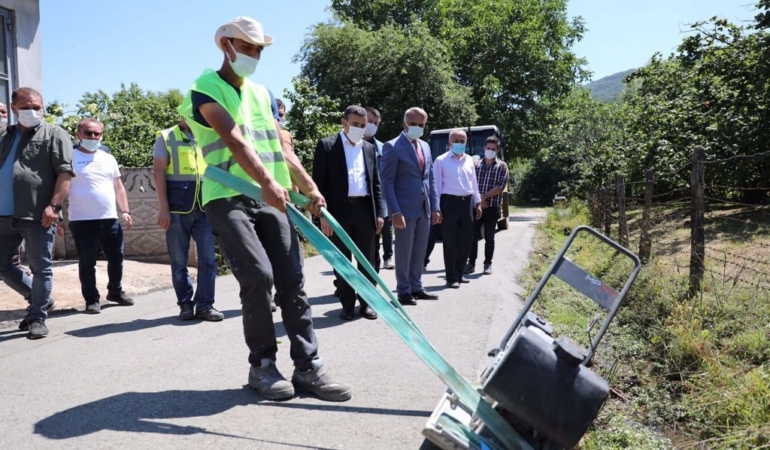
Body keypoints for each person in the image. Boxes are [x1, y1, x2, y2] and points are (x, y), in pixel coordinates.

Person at [178, 16, 352, 402]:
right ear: (225, 45)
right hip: (226, 195)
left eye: (258, 49)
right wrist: (269, 183)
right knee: (258, 275)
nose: (254, 55)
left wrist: (309, 187)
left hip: (273, 198)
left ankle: (308, 368)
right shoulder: (204, 89)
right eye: (247, 47)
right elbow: (235, 141)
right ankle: (262, 366)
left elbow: (281, 146)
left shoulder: (262, 93)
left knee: (292, 279)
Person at [0, 87, 73, 339]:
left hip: (37, 214)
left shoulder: (55, 134)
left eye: (37, 107)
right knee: (2, 266)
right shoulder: (5, 135)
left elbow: (64, 173)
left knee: (41, 267)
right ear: (13, 109)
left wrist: (54, 207)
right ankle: (37, 297)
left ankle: (38, 317)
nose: (32, 111)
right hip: (3, 216)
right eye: (26, 107)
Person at [313, 105, 384, 321]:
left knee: (367, 260)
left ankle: (367, 303)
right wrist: (322, 215)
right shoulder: (327, 146)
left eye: (363, 126)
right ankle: (346, 304)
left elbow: (376, 184)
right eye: (355, 125)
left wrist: (380, 213)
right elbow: (318, 184)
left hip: (365, 211)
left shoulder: (370, 149)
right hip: (337, 213)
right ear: (344, 122)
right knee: (342, 261)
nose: (360, 129)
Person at [153, 119, 222, 321]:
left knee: (209, 260)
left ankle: (205, 306)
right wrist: (164, 209)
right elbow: (158, 173)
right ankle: (185, 304)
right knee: (179, 261)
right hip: (176, 210)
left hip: (206, 208)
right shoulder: (166, 137)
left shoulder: (209, 134)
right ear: (182, 116)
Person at [66, 118, 135, 314]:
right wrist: (60, 216)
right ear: (79, 134)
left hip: (109, 217)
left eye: (97, 134)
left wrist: (125, 210)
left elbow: (118, 187)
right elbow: (61, 187)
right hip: (81, 219)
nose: (93, 137)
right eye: (88, 133)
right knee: (87, 261)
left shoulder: (108, 157)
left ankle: (115, 292)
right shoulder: (69, 156)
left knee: (117, 257)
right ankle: (91, 299)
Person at [380, 107, 441, 305]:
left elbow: (430, 178)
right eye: (412, 124)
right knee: (404, 251)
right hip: (403, 209)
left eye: (420, 125)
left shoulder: (425, 146)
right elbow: (387, 182)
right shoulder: (392, 146)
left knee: (420, 249)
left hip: (424, 207)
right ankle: (403, 290)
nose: (416, 127)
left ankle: (417, 286)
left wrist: (435, 206)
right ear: (404, 123)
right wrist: (394, 211)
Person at [433, 129, 482, 289]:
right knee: (450, 241)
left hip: (466, 203)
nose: (460, 143)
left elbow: (473, 183)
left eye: (462, 141)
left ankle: (460, 273)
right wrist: (437, 208)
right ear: (449, 143)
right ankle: (451, 277)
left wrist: (478, 202)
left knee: (466, 240)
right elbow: (436, 186)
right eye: (456, 140)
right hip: (449, 203)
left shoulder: (469, 160)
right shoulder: (441, 160)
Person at [466, 136, 509, 275]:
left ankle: (487, 264)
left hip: (492, 207)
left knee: (489, 237)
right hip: (476, 206)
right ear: (484, 148)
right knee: (472, 235)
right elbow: (471, 184)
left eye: (493, 149)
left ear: (497, 150)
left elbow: (500, 186)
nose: (490, 150)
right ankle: (471, 263)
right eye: (488, 148)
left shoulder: (502, 166)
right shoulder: (475, 165)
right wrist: (479, 200)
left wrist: (484, 197)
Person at [364, 107, 394, 272]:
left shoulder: (383, 148)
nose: (372, 125)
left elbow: (388, 177)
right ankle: (343, 285)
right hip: (356, 201)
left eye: (376, 123)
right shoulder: (349, 144)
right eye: (369, 121)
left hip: (380, 202)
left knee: (383, 235)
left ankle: (386, 259)